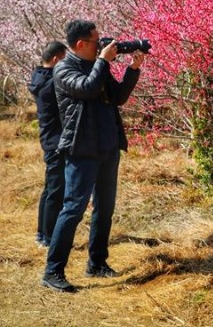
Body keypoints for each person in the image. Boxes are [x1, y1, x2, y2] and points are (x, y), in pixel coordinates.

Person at [40, 20, 145, 293]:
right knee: (73, 208)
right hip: (82, 149)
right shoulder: (64, 69)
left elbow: (118, 97)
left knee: (105, 208)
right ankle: (53, 271)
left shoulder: (97, 65)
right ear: (80, 45)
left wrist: (133, 69)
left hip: (108, 147)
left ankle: (97, 263)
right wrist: (102, 61)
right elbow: (86, 88)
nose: (102, 44)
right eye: (96, 41)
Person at [28, 40, 68, 248]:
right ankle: (50, 237)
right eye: (64, 59)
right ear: (55, 59)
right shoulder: (50, 83)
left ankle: (42, 233)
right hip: (56, 141)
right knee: (56, 189)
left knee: (49, 188)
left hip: (49, 139)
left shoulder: (39, 77)